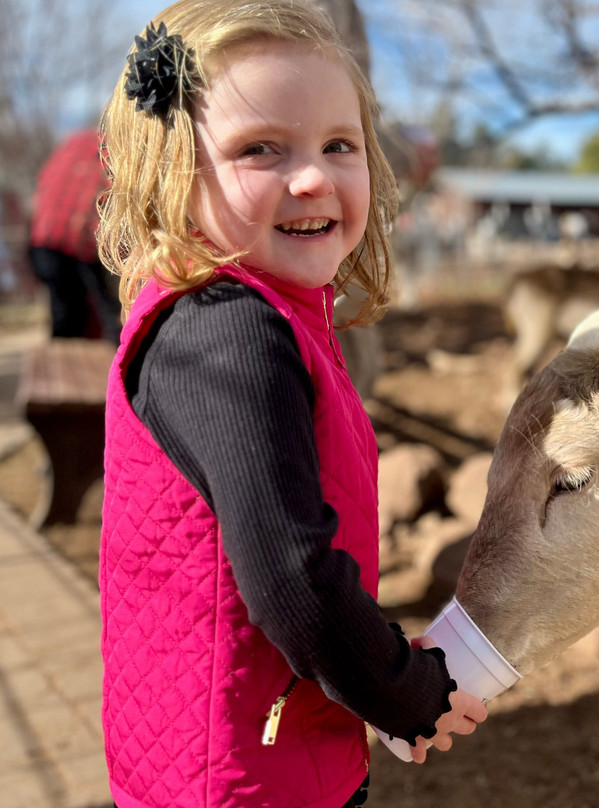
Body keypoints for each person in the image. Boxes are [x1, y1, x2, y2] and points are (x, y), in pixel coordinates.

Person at [95, 2, 487, 807]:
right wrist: (407, 693)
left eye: (338, 145)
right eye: (260, 149)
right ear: (172, 171)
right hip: (243, 776)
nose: (312, 176)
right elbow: (294, 582)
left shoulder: (259, 312)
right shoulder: (229, 334)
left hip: (233, 748)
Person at [28, 128, 121, 342]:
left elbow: (42, 184)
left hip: (43, 240)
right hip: (79, 241)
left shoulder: (73, 145)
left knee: (64, 309)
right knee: (100, 307)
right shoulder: (109, 147)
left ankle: (65, 357)